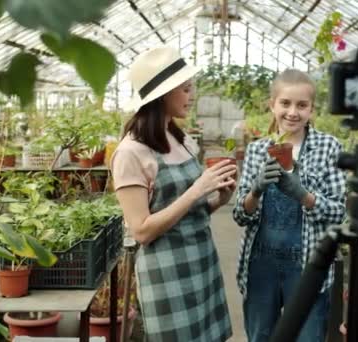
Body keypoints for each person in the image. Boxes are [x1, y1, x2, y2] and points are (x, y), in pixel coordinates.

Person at [111, 46, 234, 342]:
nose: (190, 95)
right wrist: (197, 190)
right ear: (163, 94)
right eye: (185, 89)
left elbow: (190, 212)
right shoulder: (131, 153)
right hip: (166, 272)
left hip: (201, 261)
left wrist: (220, 198)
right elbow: (141, 231)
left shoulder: (181, 139)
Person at [233, 69, 347, 341]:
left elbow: (339, 212)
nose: (292, 112)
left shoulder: (329, 147)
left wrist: (303, 195)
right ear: (272, 105)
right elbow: (240, 214)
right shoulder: (258, 150)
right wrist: (256, 190)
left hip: (307, 265)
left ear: (312, 109)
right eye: (285, 103)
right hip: (261, 263)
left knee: (308, 336)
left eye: (302, 105)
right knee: (261, 335)